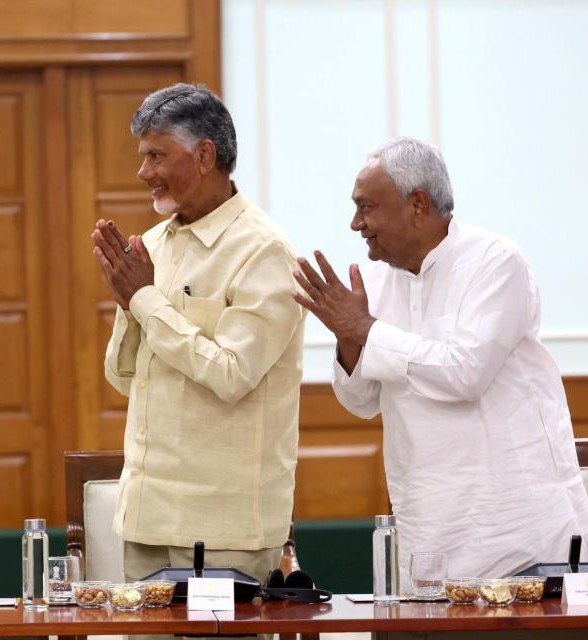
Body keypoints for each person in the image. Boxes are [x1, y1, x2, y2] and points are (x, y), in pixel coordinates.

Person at [292, 136, 588, 584]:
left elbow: (465, 374)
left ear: (417, 204)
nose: (356, 223)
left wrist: (366, 329)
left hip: (519, 534)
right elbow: (362, 401)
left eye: (367, 207)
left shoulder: (495, 262)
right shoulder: (374, 280)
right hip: (430, 537)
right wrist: (348, 339)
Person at [92, 83, 306, 583]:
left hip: (225, 532)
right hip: (146, 521)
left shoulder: (264, 251)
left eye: (156, 156)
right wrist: (130, 303)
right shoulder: (153, 243)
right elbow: (125, 377)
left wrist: (145, 300)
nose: (143, 173)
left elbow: (232, 375)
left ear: (204, 155)